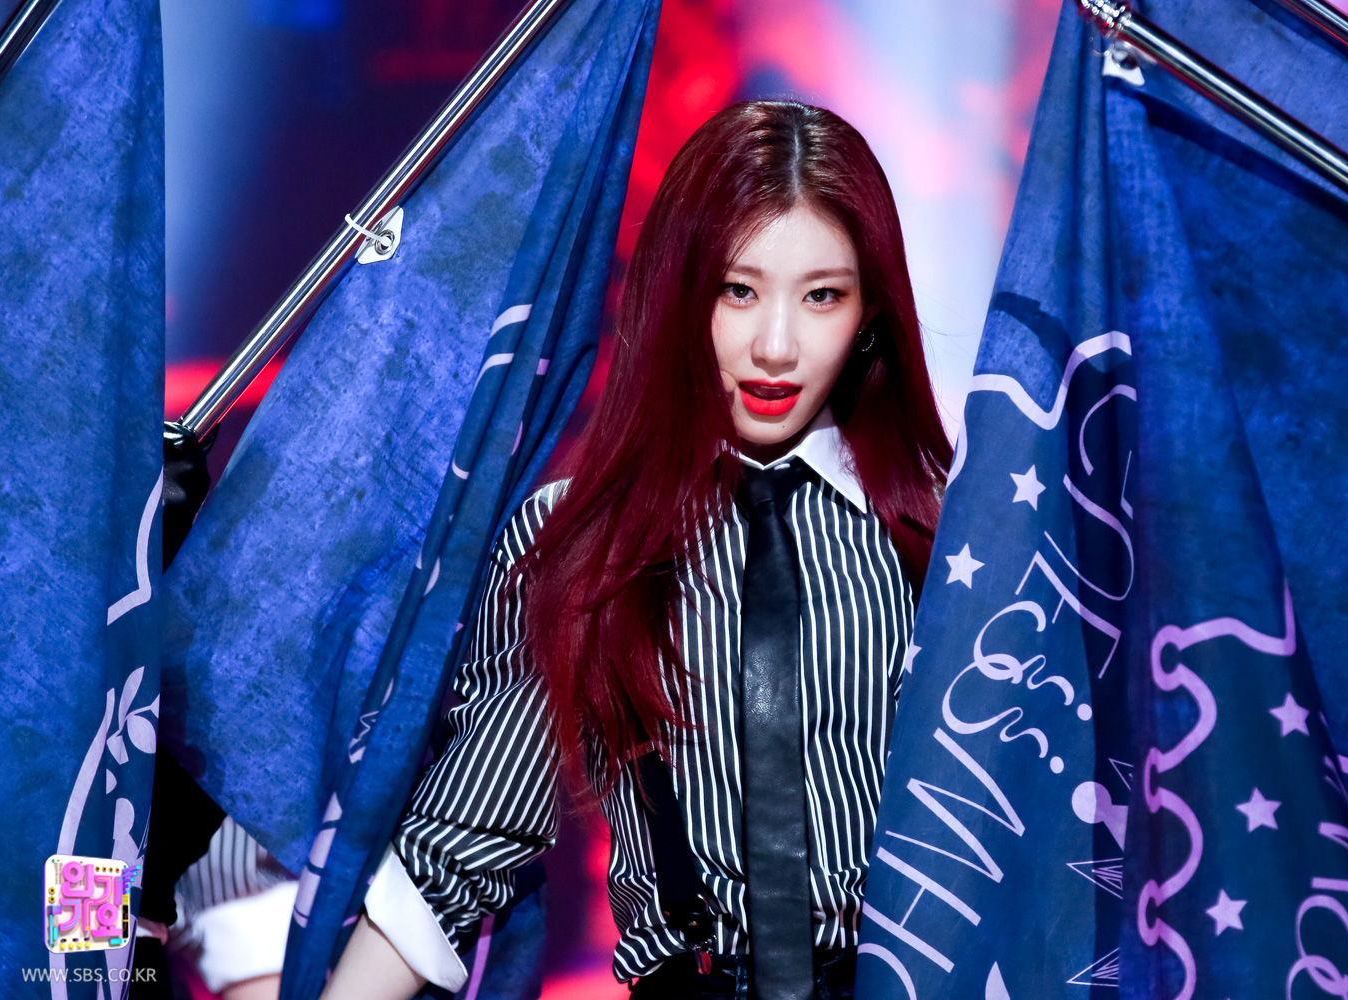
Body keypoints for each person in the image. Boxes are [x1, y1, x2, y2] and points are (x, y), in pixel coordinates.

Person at [321, 99, 952, 1000]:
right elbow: (465, 840)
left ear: (871, 313)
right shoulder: (579, 540)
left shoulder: (939, 535)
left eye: (822, 295)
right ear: (677, 296)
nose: (776, 346)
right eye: (737, 290)